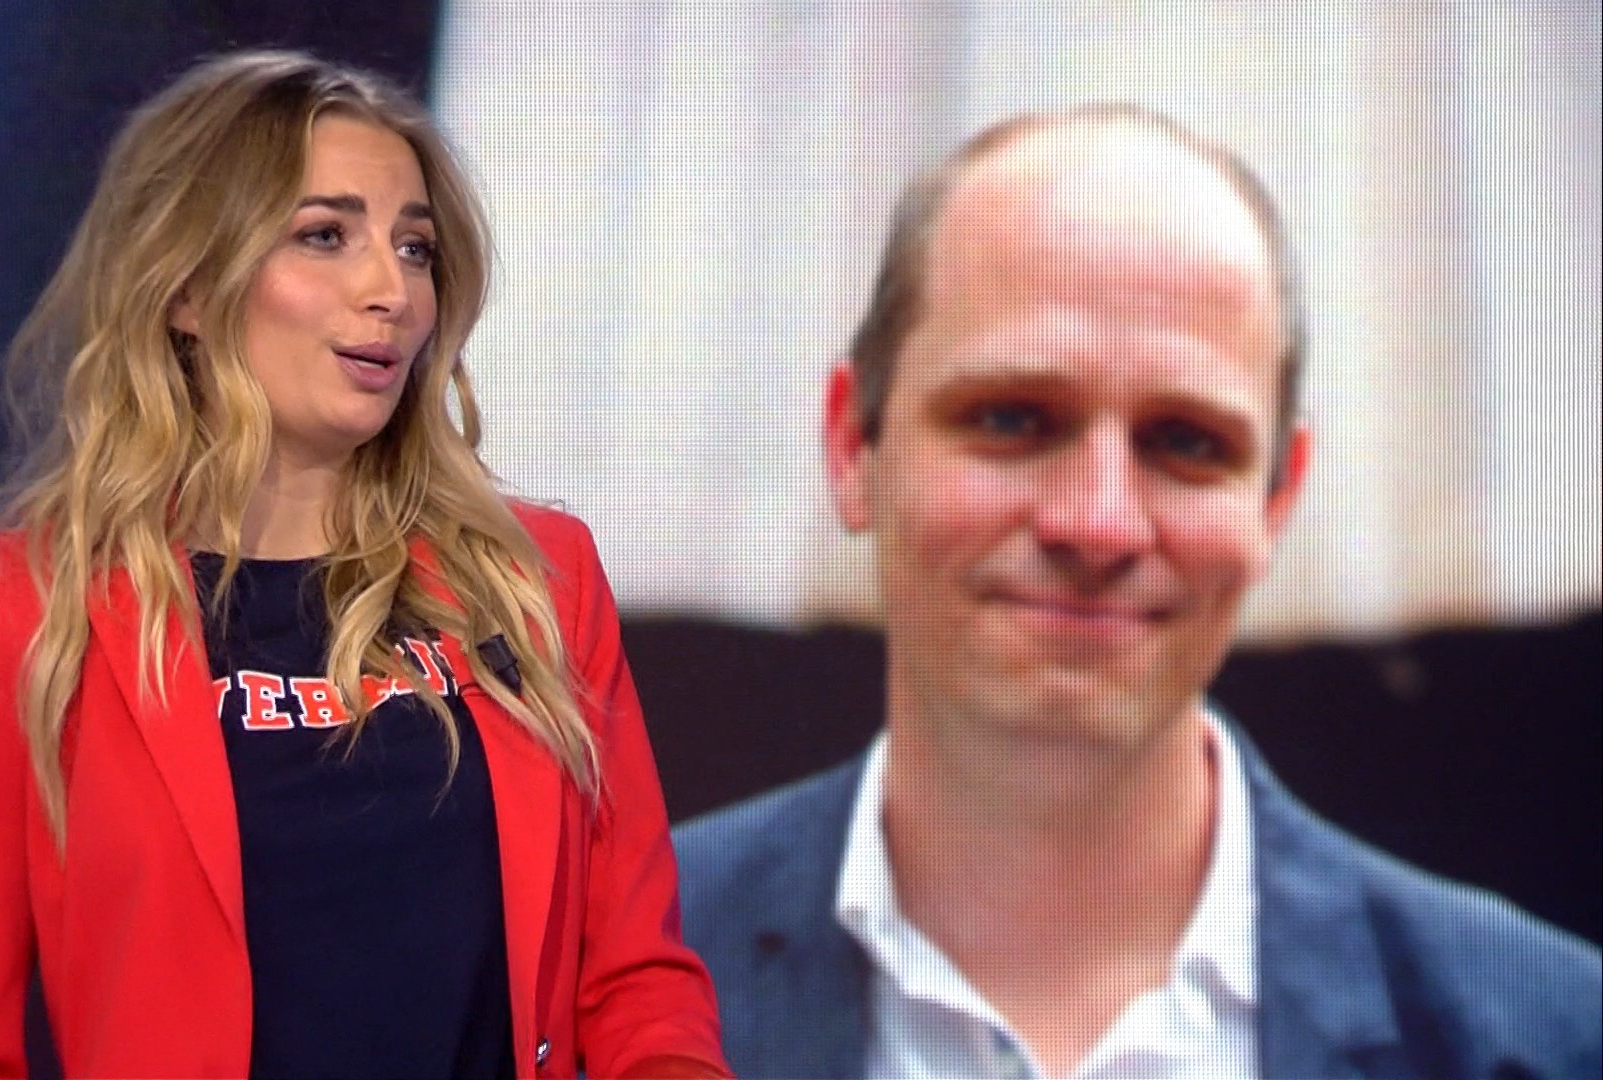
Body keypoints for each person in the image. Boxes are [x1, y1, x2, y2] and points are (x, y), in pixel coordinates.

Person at [673, 105, 1600, 1080]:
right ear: (852, 445)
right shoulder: (580, 986)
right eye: (1012, 418)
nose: (1099, 522)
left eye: (1186, 442)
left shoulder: (1551, 1042)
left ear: (1278, 499)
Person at [0, 50, 728, 1079]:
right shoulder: (21, 610)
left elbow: (637, 983)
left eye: (416, 248)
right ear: (188, 288)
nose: (392, 290)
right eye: (326, 236)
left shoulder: (537, 579)